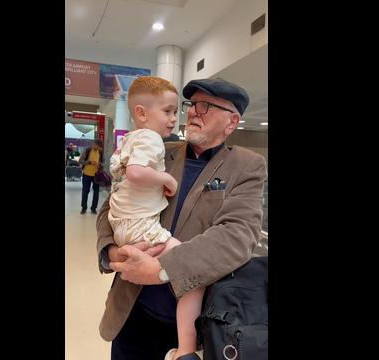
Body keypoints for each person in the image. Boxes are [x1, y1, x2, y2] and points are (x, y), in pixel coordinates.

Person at [96, 77, 267, 360]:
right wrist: (111, 251)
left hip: (189, 326)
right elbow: (111, 205)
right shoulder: (161, 150)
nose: (193, 112)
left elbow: (237, 236)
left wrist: (162, 269)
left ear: (231, 122)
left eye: (206, 106)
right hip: (132, 313)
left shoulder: (247, 166)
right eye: (192, 104)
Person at [106, 76, 200, 360]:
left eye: (176, 111)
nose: (176, 118)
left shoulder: (130, 141)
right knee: (193, 276)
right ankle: (186, 350)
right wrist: (166, 179)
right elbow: (135, 173)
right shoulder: (153, 141)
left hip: (124, 224)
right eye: (169, 111)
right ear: (142, 113)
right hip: (141, 231)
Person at [78, 139, 104, 214]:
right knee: (85, 191)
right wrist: (89, 162)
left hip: (96, 175)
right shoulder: (88, 150)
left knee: (96, 192)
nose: (96, 147)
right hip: (86, 174)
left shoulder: (101, 152)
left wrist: (99, 164)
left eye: (98, 146)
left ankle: (93, 208)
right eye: (95, 145)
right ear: (93, 144)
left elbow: (103, 162)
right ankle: (84, 207)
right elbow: (80, 161)